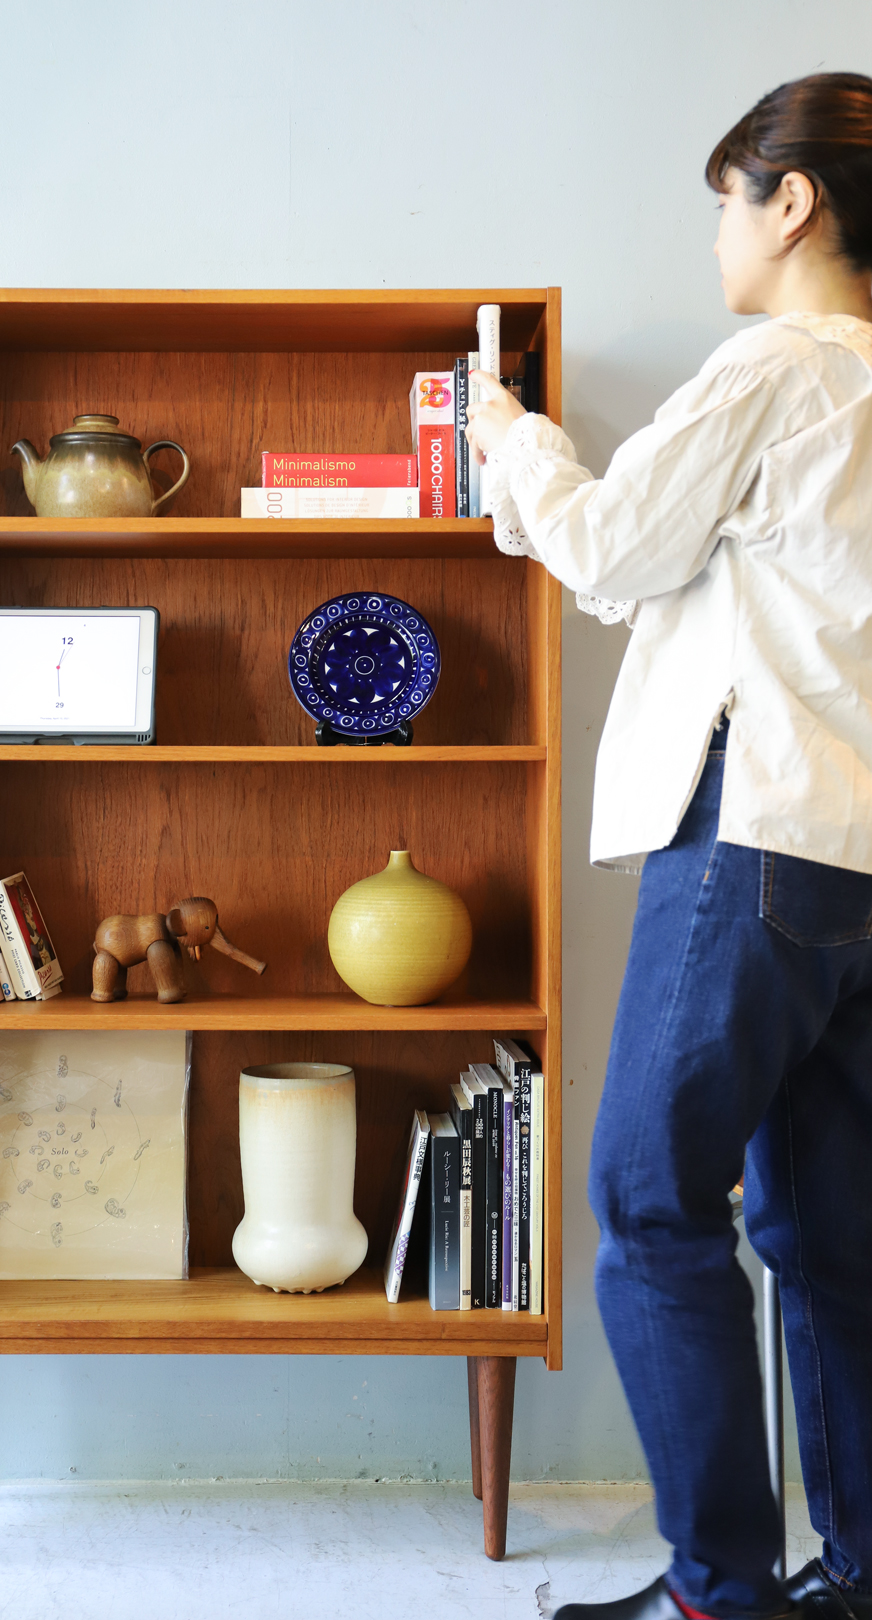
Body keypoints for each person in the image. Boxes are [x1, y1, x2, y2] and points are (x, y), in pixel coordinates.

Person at [465, 72, 872, 1620]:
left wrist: (510, 435)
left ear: (794, 201)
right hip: (856, 855)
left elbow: (613, 551)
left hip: (750, 831)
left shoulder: (775, 368)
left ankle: (720, 1593)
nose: (718, 229)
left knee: (648, 1198)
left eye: (729, 194)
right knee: (830, 1233)